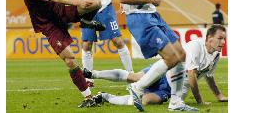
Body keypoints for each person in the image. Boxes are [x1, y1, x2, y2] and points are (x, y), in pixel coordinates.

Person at [116, 0, 197, 111]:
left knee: (181, 54)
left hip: (152, 14)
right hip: (140, 18)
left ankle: (175, 102)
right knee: (171, 57)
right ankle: (137, 87)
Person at [20, 0, 105, 108]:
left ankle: (85, 21)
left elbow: (57, 2)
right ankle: (88, 98)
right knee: (70, 59)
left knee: (95, 2)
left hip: (60, 11)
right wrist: (77, 1)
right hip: (49, 24)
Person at [84, 25, 228, 106]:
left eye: (224, 39)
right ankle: (93, 73)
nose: (223, 42)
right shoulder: (196, 46)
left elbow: (209, 76)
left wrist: (219, 95)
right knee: (135, 77)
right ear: (209, 38)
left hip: (169, 89)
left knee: (145, 101)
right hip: (166, 72)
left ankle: (105, 96)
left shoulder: (215, 55)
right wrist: (200, 102)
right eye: (220, 39)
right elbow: (192, 76)